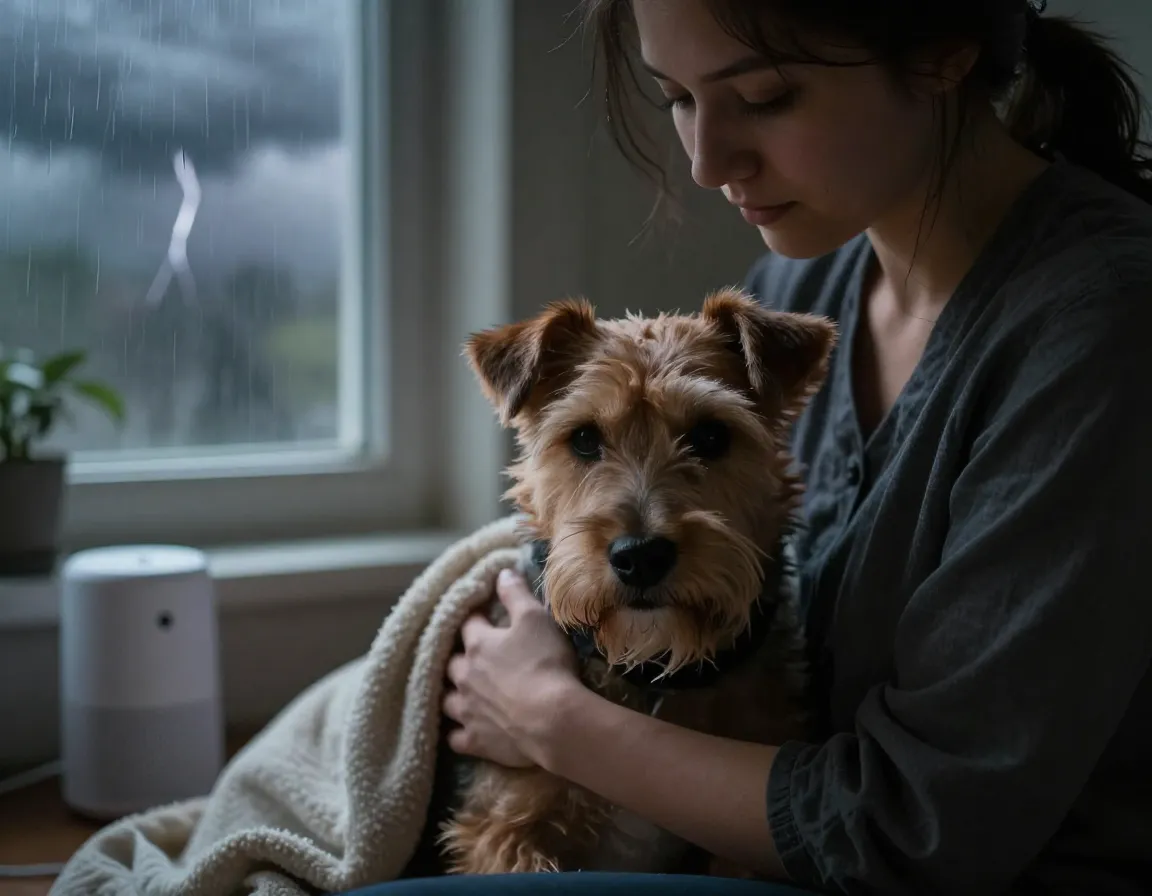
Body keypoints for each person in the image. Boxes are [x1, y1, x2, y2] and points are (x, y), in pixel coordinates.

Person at [348, 0, 1152, 893]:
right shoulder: (807, 277)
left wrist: (551, 718)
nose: (705, 164)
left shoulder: (1103, 329)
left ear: (941, 56)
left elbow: (924, 829)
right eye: (677, 99)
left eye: (765, 96)